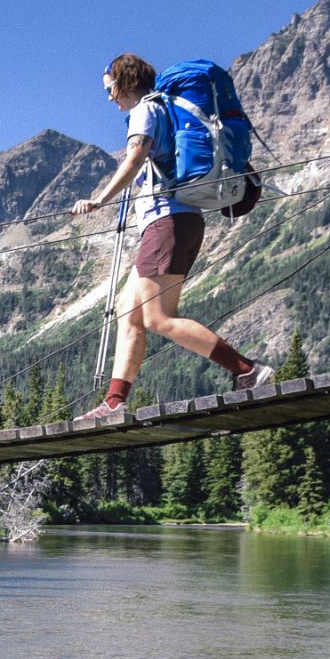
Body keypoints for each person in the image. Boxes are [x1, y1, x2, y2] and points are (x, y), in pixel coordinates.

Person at [68, 53, 270, 415]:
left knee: (158, 318)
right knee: (128, 313)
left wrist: (98, 201)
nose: (110, 97)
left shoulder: (146, 110)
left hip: (169, 223)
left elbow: (134, 159)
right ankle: (114, 403)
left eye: (110, 88)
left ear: (125, 82)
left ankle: (247, 370)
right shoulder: (159, 109)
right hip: (172, 224)